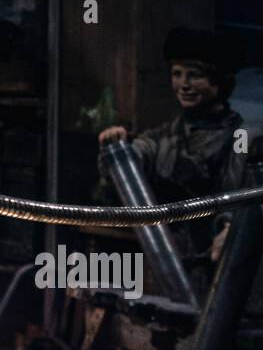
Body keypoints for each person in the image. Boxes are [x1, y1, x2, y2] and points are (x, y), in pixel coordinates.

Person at [98, 27, 249, 295]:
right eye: (176, 74)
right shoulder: (163, 137)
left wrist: (231, 230)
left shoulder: (241, 138)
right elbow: (135, 158)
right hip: (172, 271)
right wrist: (118, 145)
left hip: (225, 277)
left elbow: (242, 198)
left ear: (220, 81)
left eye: (195, 75)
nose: (183, 84)